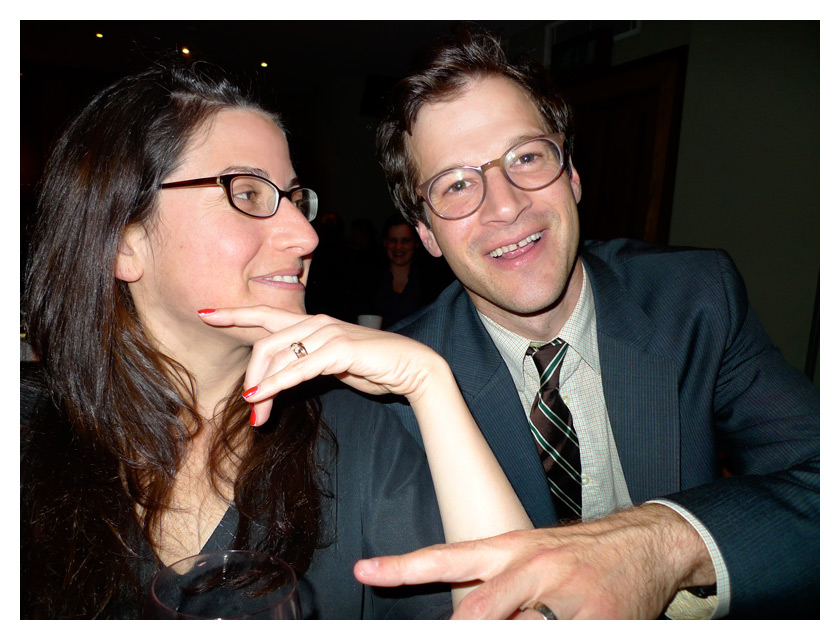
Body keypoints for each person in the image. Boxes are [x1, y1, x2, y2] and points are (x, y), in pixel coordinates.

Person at [20, 61, 532, 619]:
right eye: (246, 193)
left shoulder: (356, 436)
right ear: (124, 243)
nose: (305, 235)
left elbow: (513, 613)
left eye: (293, 198)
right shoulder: (26, 433)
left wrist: (430, 383)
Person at [354, 27, 819, 619]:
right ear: (425, 233)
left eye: (527, 157)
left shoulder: (698, 297)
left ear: (571, 174)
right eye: (457, 184)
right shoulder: (393, 388)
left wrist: (658, 546)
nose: (505, 205)